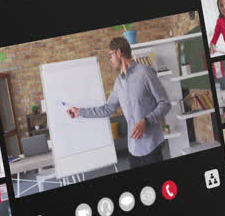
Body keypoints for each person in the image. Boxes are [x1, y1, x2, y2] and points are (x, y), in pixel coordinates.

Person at [66, 36, 172, 168]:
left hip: (152, 147)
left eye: (110, 56)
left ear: (119, 52)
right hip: (133, 149)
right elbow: (107, 109)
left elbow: (165, 103)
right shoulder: (119, 83)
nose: (110, 61)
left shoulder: (145, 72)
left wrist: (146, 120)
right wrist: (80, 112)